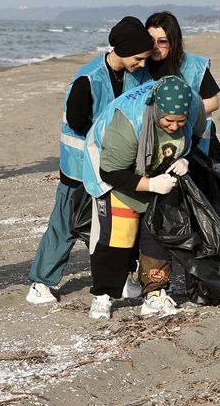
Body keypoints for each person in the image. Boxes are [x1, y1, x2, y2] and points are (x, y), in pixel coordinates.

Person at [25, 17, 153, 305]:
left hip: (118, 167)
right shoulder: (87, 78)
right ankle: (40, 283)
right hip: (79, 167)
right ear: (121, 50)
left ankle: (120, 279)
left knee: (120, 225)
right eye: (138, 58)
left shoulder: (141, 76)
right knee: (65, 226)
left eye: (146, 59)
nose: (142, 64)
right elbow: (77, 121)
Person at [81, 75, 205, 320]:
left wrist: (186, 160)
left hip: (159, 174)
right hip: (117, 178)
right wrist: (149, 184)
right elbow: (111, 171)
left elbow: (199, 136)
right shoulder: (128, 122)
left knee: (157, 236)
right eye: (169, 121)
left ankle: (155, 294)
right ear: (157, 110)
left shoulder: (193, 106)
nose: (174, 127)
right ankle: (104, 295)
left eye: (181, 122)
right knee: (118, 238)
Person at [144, 12, 220, 160]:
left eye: (162, 41)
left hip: (195, 139)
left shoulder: (195, 65)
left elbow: (214, 101)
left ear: (174, 41)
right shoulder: (139, 66)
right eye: (151, 40)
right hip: (153, 139)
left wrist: (179, 115)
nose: (155, 46)